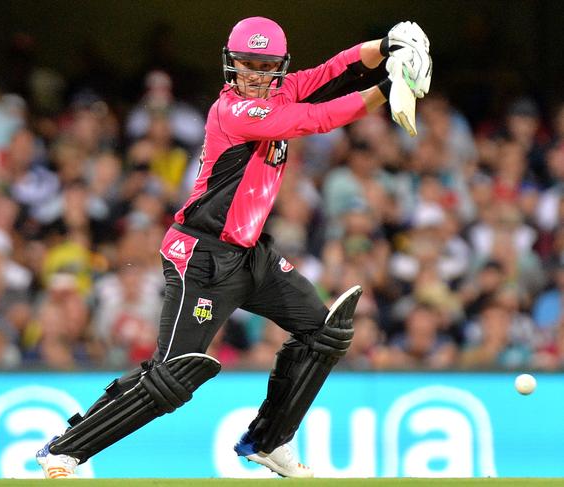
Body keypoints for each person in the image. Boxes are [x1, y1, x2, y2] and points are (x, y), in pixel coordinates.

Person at [36, 16, 431, 479]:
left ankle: (270, 441)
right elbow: (315, 119)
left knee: (323, 333)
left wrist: (386, 45)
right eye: (246, 65)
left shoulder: (283, 91)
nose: (255, 77)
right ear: (231, 66)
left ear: (279, 67)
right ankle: (65, 450)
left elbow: (336, 69)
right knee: (172, 378)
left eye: (265, 67)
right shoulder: (233, 112)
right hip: (201, 256)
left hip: (248, 252)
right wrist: (388, 88)